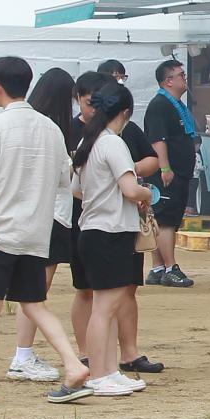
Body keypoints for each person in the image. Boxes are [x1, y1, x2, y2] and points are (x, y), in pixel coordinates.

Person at [0, 56, 91, 408]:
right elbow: (65, 182)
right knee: (35, 304)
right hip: (35, 232)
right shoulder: (51, 130)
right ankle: (74, 364)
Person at [73, 83, 152, 398]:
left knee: (105, 305)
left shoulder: (89, 142)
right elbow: (131, 190)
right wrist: (147, 194)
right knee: (105, 307)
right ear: (126, 113)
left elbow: (76, 189)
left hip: (94, 229)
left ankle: (107, 370)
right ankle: (100, 373)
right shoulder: (113, 144)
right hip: (110, 231)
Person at [5, 68, 78, 385]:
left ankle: (23, 355)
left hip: (25, 215)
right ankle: (22, 356)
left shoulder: (19, 126)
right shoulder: (52, 131)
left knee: (32, 293)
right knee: (34, 294)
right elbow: (66, 179)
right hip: (52, 217)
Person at [142, 59, 197, 288]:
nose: (185, 78)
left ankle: (158, 267)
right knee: (165, 221)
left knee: (164, 219)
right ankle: (170, 267)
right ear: (169, 81)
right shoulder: (160, 105)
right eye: (181, 75)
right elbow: (158, 138)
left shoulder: (176, 105)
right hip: (168, 173)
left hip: (179, 171)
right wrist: (164, 167)